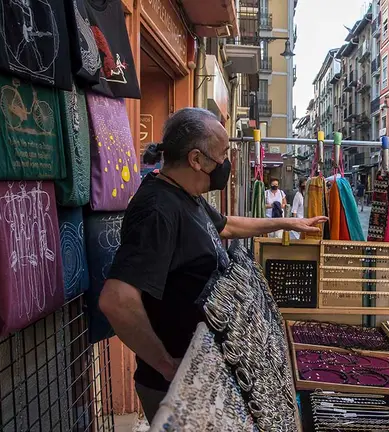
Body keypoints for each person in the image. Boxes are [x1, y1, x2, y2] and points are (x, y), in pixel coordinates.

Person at [97, 108, 327, 423]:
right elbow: (116, 300)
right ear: (196, 160)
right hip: (176, 390)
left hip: (206, 378)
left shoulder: (185, 195)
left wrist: (291, 222)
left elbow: (226, 226)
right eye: (221, 156)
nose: (226, 164)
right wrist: (167, 365)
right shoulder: (158, 209)